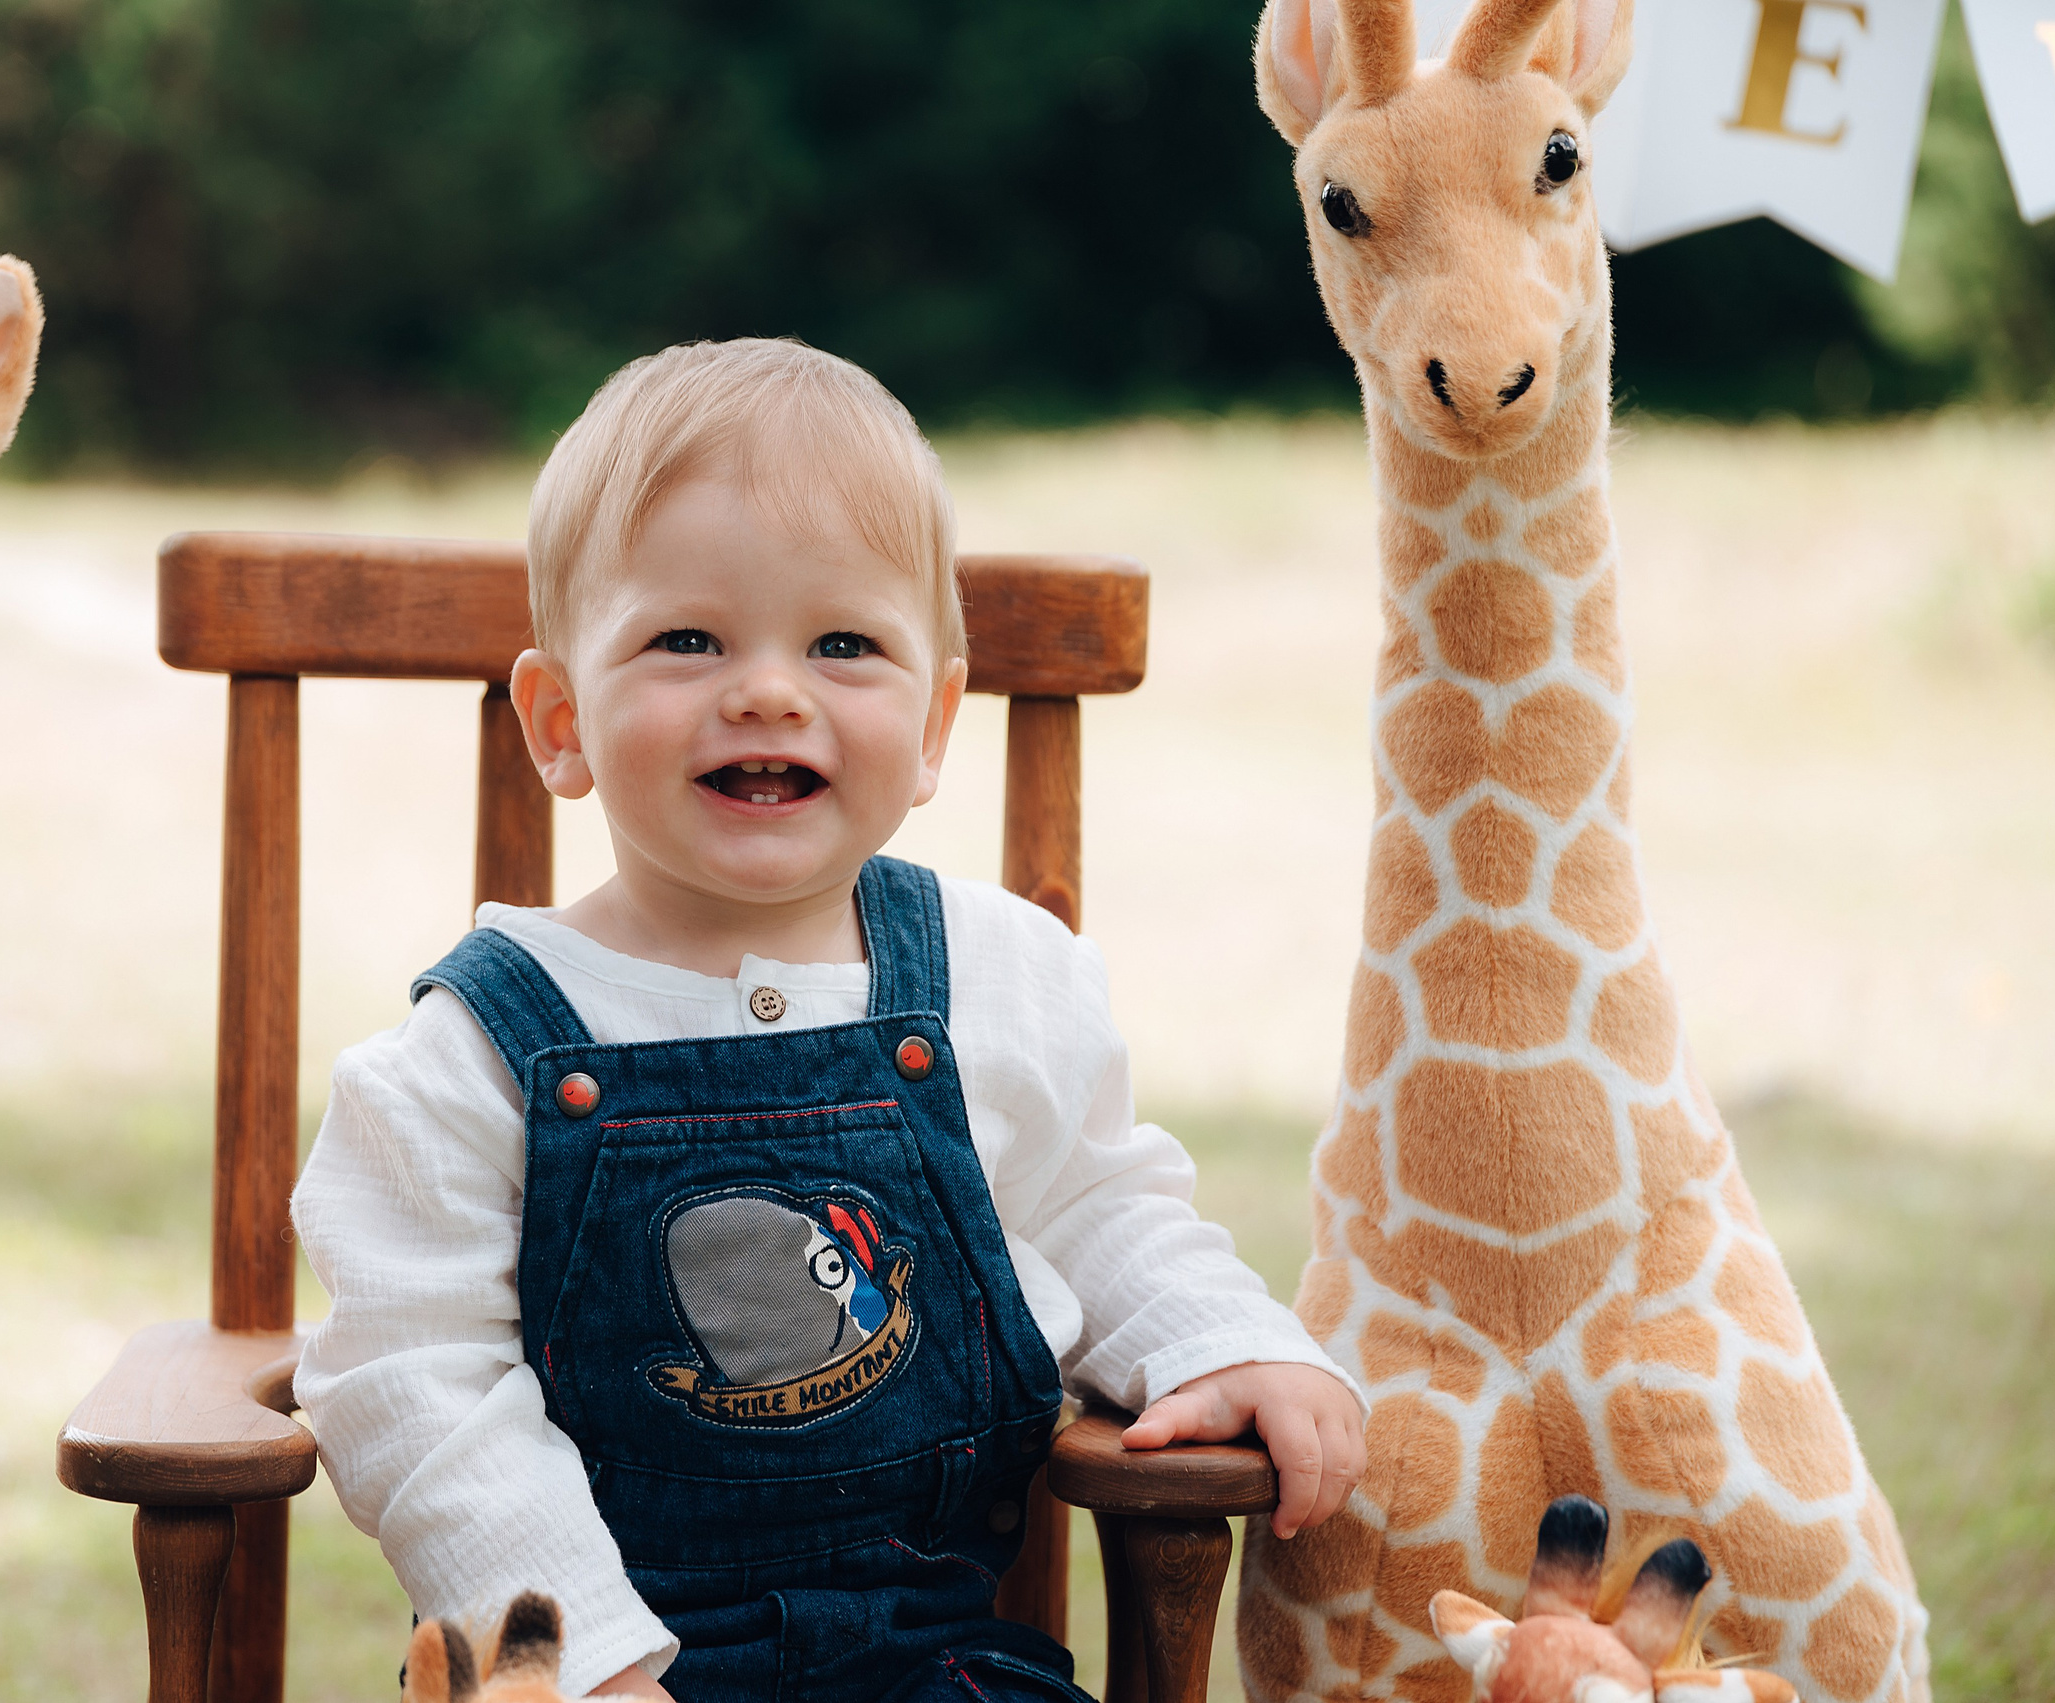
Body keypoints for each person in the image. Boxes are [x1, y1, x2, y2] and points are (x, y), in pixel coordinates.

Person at [292, 338, 1366, 1703]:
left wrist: (1218, 1336)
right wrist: (580, 1661)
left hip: (930, 1657)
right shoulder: (472, 1057)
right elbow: (413, 1382)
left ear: (934, 725)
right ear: (559, 722)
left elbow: (1101, 1209)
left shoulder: (999, 977)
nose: (768, 690)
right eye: (686, 640)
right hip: (604, 1665)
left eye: (843, 645)